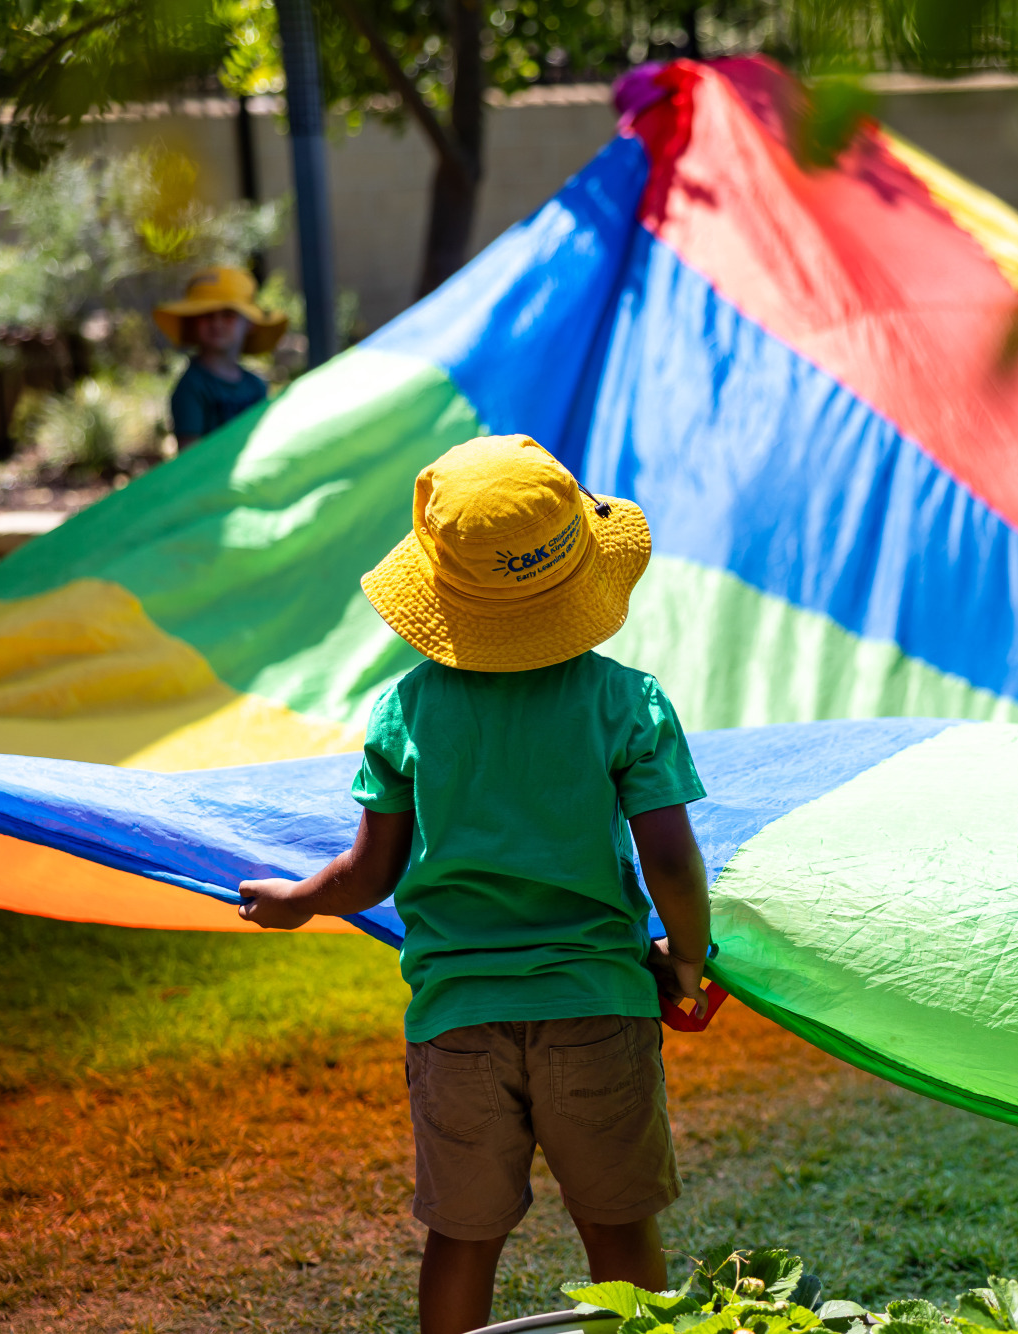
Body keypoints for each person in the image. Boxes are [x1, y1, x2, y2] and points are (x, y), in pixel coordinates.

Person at [234, 435, 711, 1334]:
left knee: (463, 1237)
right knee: (617, 1230)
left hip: (457, 1027)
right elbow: (672, 860)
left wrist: (298, 900)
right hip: (598, 1009)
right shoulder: (627, 702)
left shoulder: (406, 709)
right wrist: (685, 959)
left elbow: (369, 870)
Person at [152, 266, 287, 448]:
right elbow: (190, 458)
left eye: (228, 315)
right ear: (193, 321)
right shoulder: (192, 387)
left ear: (250, 323)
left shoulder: (256, 385)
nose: (217, 323)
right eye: (207, 315)